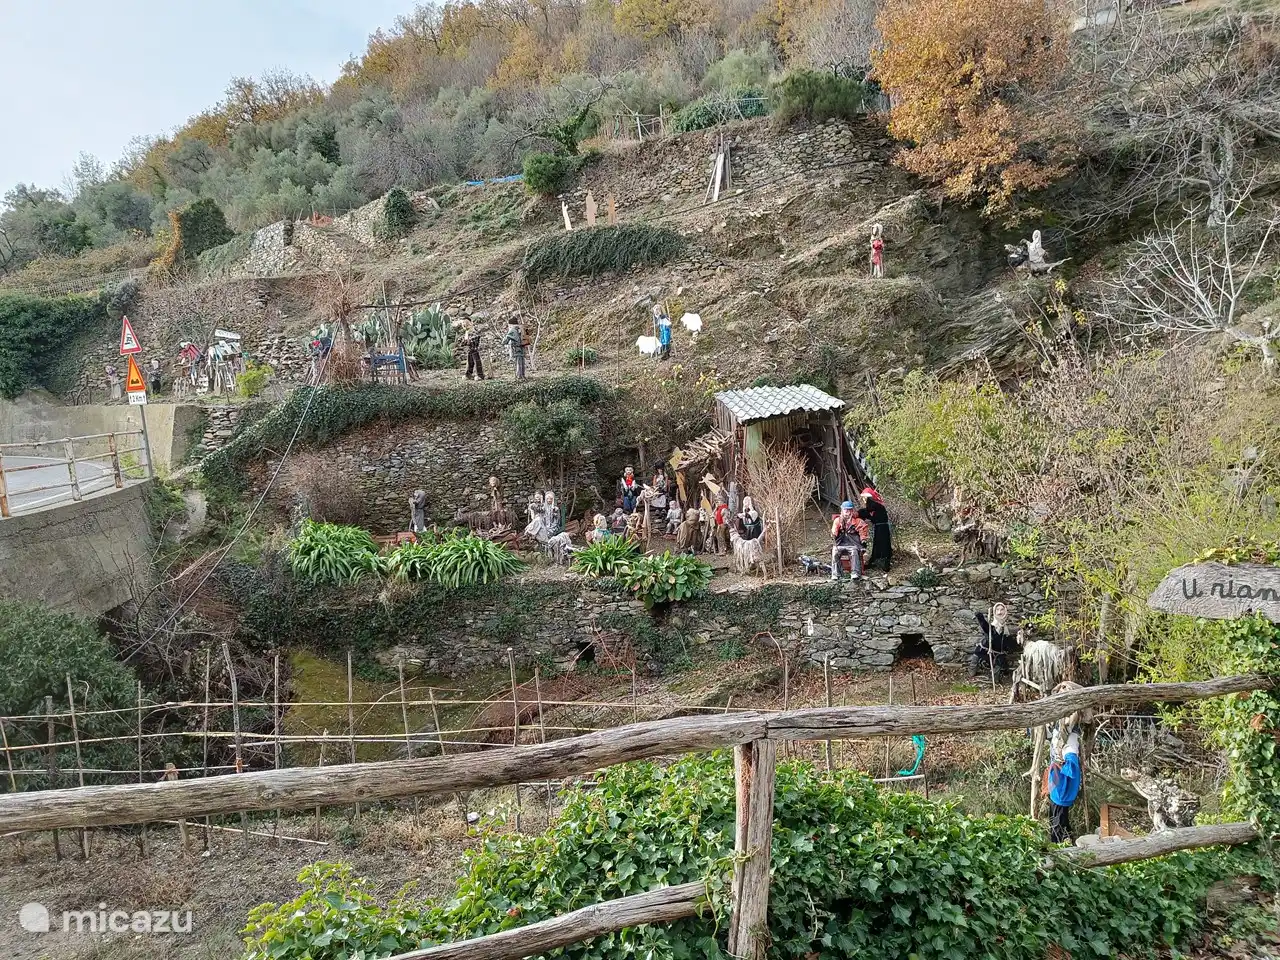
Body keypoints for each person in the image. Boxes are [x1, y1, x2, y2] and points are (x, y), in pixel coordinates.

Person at [1046, 713, 1082, 843]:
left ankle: (1057, 844)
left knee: (1058, 819)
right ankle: (1068, 837)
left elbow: (1072, 767)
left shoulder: (1070, 745)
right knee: (1059, 816)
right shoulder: (1060, 735)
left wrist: (1060, 761)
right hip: (1057, 784)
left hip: (1062, 789)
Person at [971, 602, 1022, 681]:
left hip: (998, 654)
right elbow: (985, 626)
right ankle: (972, 673)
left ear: (1005, 612)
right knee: (975, 660)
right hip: (985, 651)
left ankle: (996, 678)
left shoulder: (1005, 629)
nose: (999, 612)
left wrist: (1020, 639)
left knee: (997, 675)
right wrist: (980, 617)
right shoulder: (991, 628)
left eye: (1002, 610)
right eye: (997, 610)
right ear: (994, 612)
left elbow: (1010, 643)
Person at [859, 487, 893, 572]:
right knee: (877, 544)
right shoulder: (875, 507)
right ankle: (876, 561)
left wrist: (860, 513)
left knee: (884, 545)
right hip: (879, 528)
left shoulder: (877, 506)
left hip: (882, 528)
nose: (863, 500)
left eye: (864, 498)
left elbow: (867, 512)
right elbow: (867, 513)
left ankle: (885, 563)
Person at [830, 500, 864, 582]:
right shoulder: (837, 520)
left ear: (852, 511)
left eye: (849, 510)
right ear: (842, 510)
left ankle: (855, 573)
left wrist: (863, 539)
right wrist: (833, 535)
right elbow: (834, 529)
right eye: (845, 510)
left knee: (854, 552)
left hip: (852, 543)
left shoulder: (857, 521)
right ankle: (836, 574)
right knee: (835, 552)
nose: (847, 512)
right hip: (840, 543)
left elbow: (863, 530)